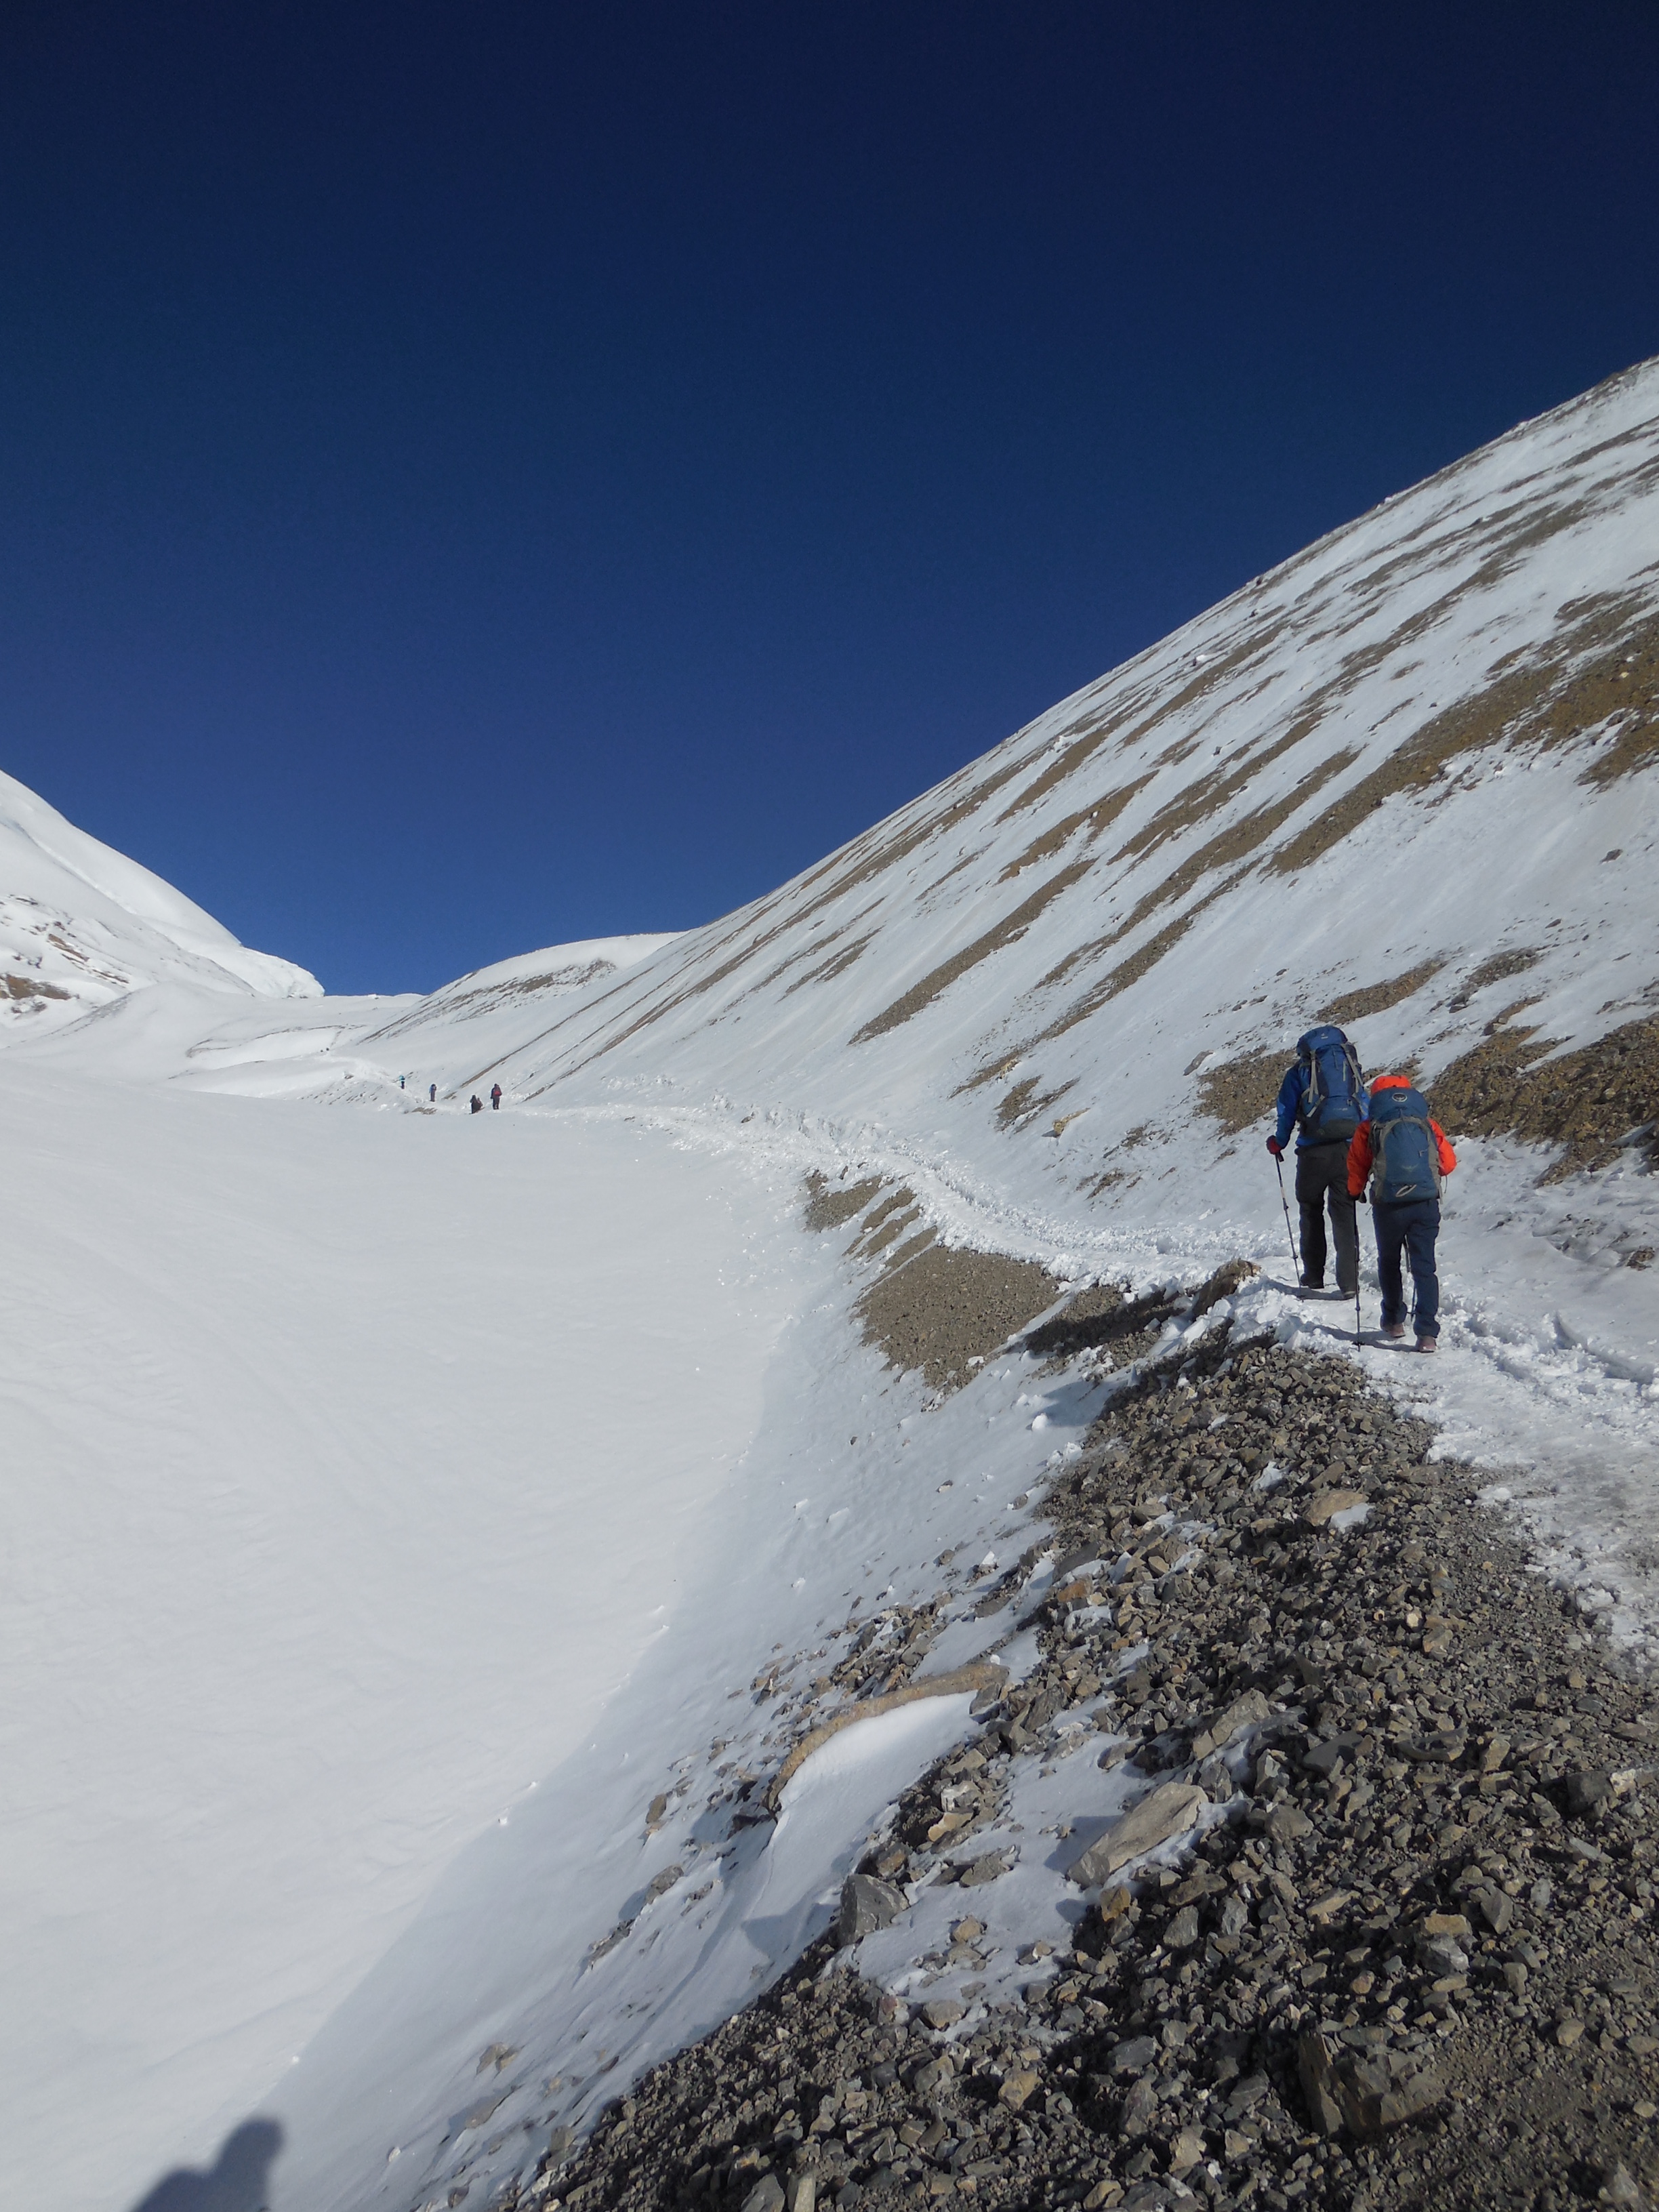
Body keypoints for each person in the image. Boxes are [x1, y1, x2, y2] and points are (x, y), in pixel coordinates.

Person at [1347, 1074, 1456, 1351]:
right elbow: (1448, 1164)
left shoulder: (1368, 1127)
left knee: (1389, 1261)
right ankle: (1427, 1334)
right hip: (1424, 1204)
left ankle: (1394, 1321)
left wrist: (1354, 1191)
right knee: (1425, 1267)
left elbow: (1357, 1165)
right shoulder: (1427, 1124)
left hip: (1389, 1205)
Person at [1267, 1024, 1364, 1297]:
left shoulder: (1299, 1072)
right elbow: (1363, 1102)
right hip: (1347, 1149)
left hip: (1313, 1153)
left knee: (1311, 1210)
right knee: (1344, 1213)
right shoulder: (1349, 1068)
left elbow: (1286, 1112)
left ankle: (1314, 1276)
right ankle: (1349, 1282)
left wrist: (1278, 1143)